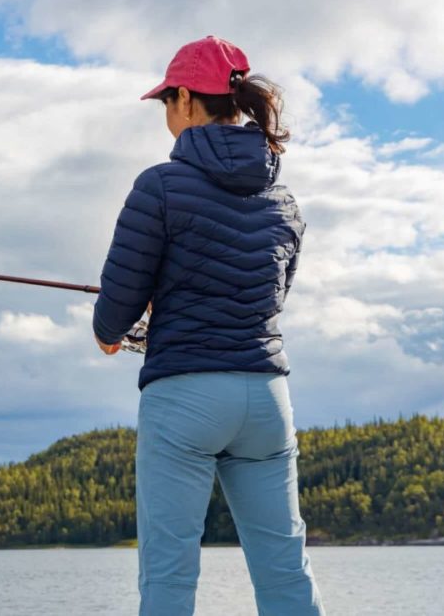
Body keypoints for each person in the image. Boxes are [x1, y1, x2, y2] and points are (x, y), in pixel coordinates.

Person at [92, 35, 326, 615]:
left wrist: (112, 333)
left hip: (185, 398)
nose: (166, 116)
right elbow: (270, 296)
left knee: (169, 575)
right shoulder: (285, 199)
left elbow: (115, 312)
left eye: (167, 103)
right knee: (284, 572)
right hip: (267, 400)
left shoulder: (160, 186)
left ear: (188, 100)